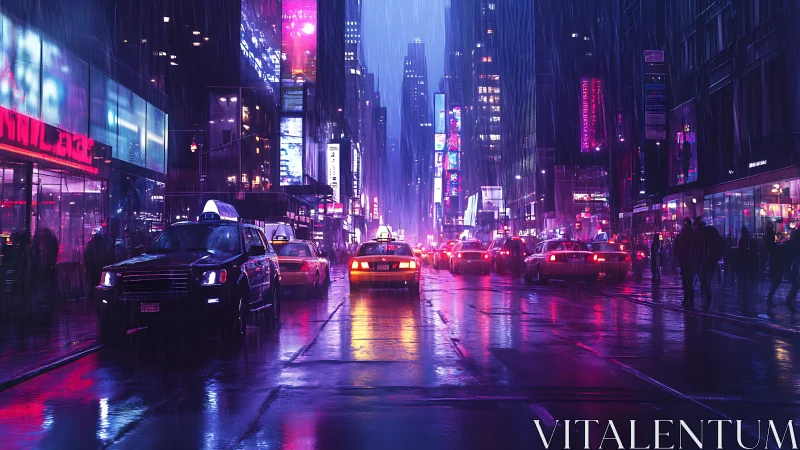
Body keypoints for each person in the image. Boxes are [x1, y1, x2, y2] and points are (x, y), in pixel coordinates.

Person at [695, 218, 724, 305]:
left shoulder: (703, 235)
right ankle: (707, 293)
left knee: (705, 277)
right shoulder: (709, 233)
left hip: (707, 259)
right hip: (711, 259)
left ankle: (707, 293)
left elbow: (701, 249)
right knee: (707, 277)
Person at [674, 218, 696, 306]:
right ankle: (689, 296)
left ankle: (688, 296)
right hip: (688, 261)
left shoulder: (682, 237)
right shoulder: (693, 236)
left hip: (687, 261)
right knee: (688, 280)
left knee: (687, 280)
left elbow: (676, 250)